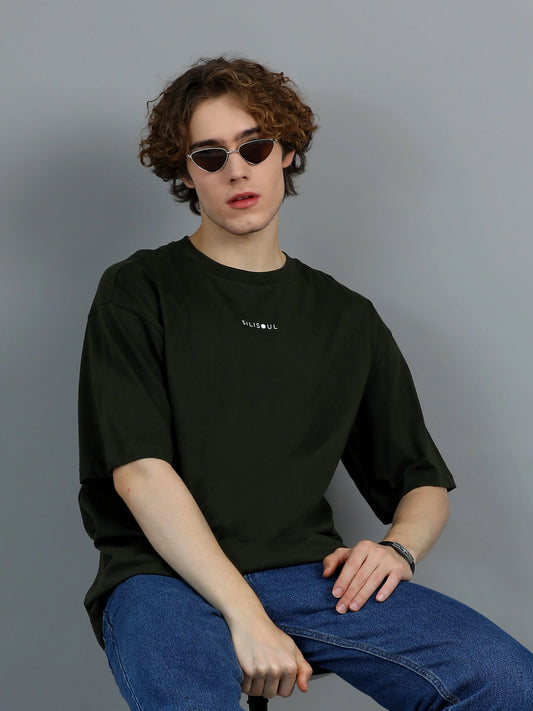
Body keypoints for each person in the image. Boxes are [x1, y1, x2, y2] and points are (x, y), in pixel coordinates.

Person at [78, 56, 533, 710]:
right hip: (162, 576)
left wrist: (399, 550)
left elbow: (421, 479)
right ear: (185, 172)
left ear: (285, 152)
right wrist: (245, 614)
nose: (236, 170)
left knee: (508, 681)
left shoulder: (345, 317)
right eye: (209, 155)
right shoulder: (140, 288)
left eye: (254, 147)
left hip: (305, 577)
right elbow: (140, 473)